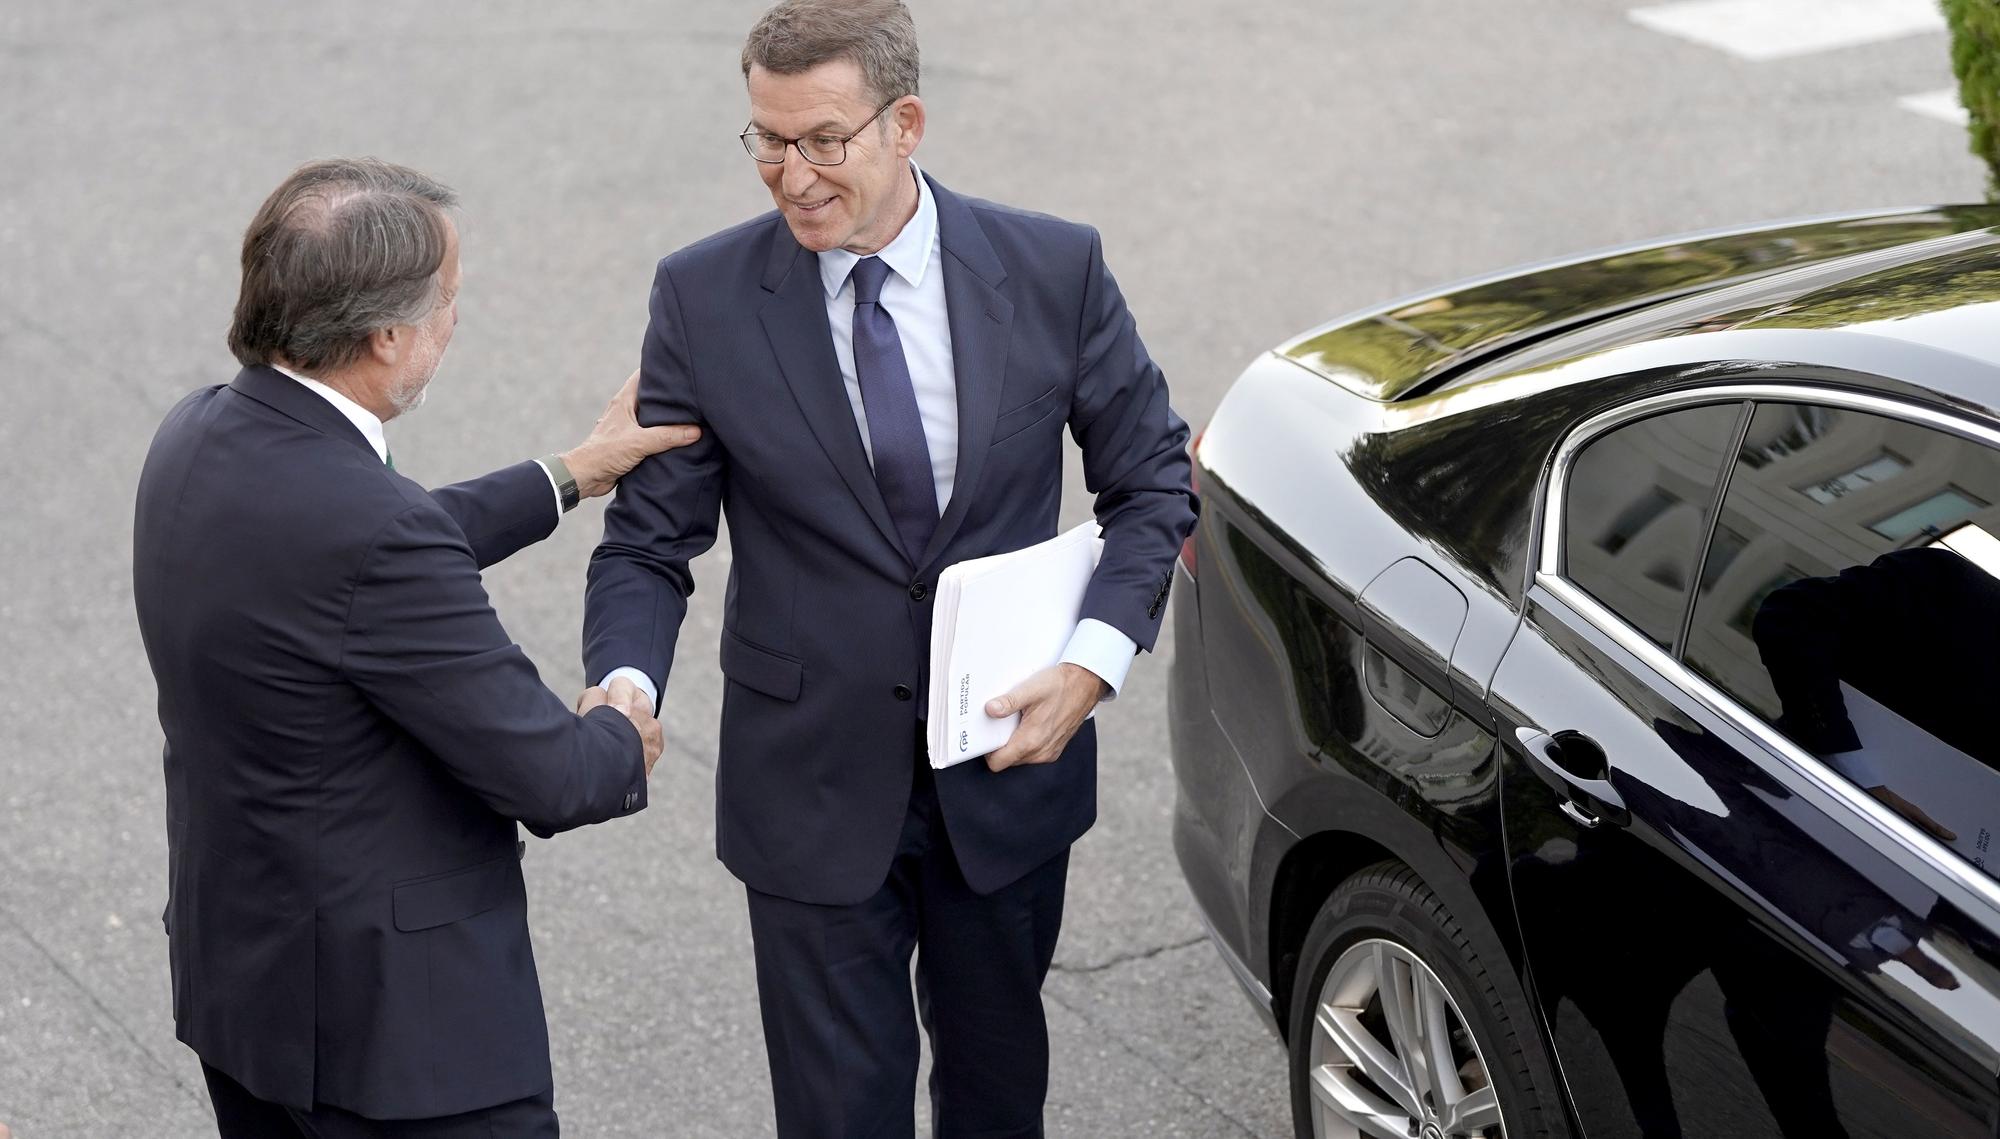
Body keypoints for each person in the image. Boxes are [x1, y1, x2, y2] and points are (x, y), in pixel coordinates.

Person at [581, 2, 1198, 1134]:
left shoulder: (1052, 268)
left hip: (1008, 767)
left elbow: (1153, 482)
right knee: (836, 1115)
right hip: (808, 787)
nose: (789, 174)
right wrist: (626, 682)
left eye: (821, 140)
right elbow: (648, 539)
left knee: (997, 1097)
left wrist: (1091, 663)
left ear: (903, 122)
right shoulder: (703, 298)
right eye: (766, 140)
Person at [133, 157, 699, 1137]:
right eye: (448, 303)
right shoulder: (371, 533)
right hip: (398, 1050)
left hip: (249, 998)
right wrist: (617, 726)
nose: (452, 323)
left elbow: (350, 561)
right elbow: (554, 776)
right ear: (388, 335)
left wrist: (566, 474)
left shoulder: (198, 433)